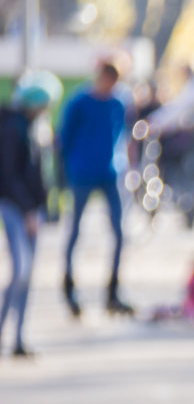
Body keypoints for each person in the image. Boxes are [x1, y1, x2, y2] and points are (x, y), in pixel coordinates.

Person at [58, 58, 131, 317]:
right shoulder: (79, 102)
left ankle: (112, 291)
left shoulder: (118, 103)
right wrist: (64, 172)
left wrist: (124, 165)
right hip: (82, 173)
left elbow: (122, 135)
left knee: (120, 233)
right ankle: (69, 286)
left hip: (109, 172)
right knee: (75, 230)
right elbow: (64, 138)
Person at [0, 73, 60, 358]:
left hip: (32, 209)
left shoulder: (35, 127)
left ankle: (19, 338)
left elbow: (43, 173)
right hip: (15, 208)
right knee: (21, 271)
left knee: (28, 275)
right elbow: (9, 176)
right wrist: (27, 211)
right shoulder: (13, 128)